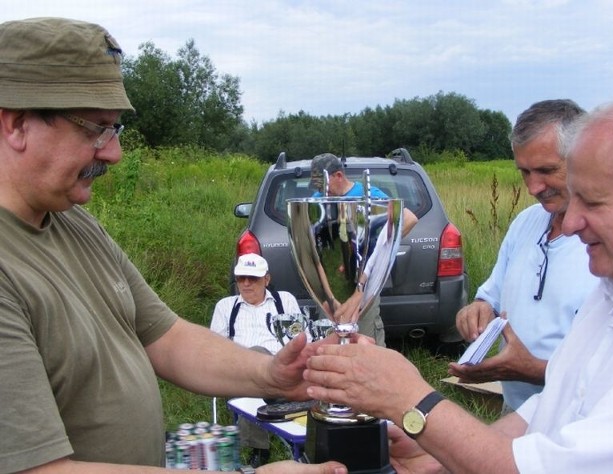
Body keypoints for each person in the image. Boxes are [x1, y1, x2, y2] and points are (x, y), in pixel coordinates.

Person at [0, 17, 346, 474]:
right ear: (18, 124)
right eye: (94, 129)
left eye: (115, 129)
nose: (113, 152)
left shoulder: (73, 223)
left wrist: (271, 375)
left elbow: (166, 338)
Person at [304, 99, 613, 473]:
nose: (572, 221)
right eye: (524, 172)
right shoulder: (611, 292)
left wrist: (412, 401)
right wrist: (440, 456)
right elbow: (548, 411)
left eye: (592, 202)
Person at [451, 99, 599, 412]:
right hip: (515, 413)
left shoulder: (610, 245)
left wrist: (531, 369)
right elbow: (489, 298)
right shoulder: (526, 222)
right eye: (524, 172)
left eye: (547, 170)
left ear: (585, 158)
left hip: (575, 427)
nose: (533, 187)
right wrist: (477, 311)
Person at [309, 153, 418, 346]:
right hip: (330, 288)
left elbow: (408, 218)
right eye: (317, 187)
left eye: (323, 185)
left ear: (339, 176)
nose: (320, 191)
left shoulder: (369, 195)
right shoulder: (318, 199)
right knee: (328, 342)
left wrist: (381, 249)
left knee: (366, 340)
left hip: (363, 286)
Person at [211, 253, 303, 467]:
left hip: (281, 367)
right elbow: (216, 350)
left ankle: (259, 450)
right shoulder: (226, 307)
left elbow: (300, 338)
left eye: (252, 278)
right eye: (241, 278)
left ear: (266, 280)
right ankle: (266, 435)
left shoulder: (284, 300)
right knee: (254, 356)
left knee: (260, 357)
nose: (245, 283)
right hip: (242, 370)